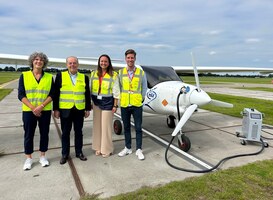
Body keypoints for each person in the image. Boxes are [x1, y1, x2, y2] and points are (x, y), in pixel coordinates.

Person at [18, 52, 54, 170]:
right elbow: (21, 94)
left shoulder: (49, 77)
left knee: (44, 133)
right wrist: (33, 108)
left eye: (41, 60)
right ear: (32, 62)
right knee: (29, 134)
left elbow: (52, 94)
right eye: (36, 59)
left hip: (45, 110)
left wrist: (41, 106)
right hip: (29, 111)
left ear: (44, 63)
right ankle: (28, 158)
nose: (38, 61)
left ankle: (43, 156)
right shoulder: (24, 75)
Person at [53, 56, 91, 165]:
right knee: (65, 133)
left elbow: (86, 94)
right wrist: (56, 109)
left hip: (79, 109)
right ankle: (65, 154)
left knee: (79, 132)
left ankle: (79, 152)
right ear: (67, 65)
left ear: (78, 64)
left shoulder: (84, 77)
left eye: (74, 63)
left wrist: (87, 108)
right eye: (70, 63)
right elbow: (56, 94)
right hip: (65, 109)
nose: (72, 65)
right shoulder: (60, 76)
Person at [118, 49, 147, 160]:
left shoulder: (141, 73)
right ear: (125, 59)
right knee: (126, 127)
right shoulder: (120, 73)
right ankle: (128, 148)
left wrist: (141, 98)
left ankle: (139, 149)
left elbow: (144, 87)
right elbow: (119, 87)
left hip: (136, 104)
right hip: (125, 104)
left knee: (138, 127)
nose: (130, 59)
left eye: (132, 57)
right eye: (128, 57)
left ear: (135, 58)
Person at [90, 54, 120, 158]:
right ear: (99, 62)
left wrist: (115, 105)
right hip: (96, 102)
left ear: (109, 63)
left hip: (108, 103)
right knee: (97, 126)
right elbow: (91, 88)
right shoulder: (94, 73)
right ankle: (98, 147)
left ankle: (107, 149)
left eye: (105, 61)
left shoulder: (114, 75)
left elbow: (116, 92)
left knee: (106, 126)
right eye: (101, 61)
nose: (103, 63)